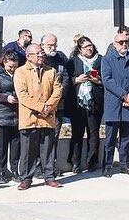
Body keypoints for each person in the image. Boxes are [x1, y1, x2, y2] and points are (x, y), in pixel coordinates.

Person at [13, 45, 62, 190]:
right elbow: (23, 95)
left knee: (47, 150)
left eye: (41, 53)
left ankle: (49, 176)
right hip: (29, 118)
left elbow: (57, 90)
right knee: (28, 151)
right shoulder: (20, 72)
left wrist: (48, 107)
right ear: (28, 56)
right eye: (37, 54)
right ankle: (26, 178)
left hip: (47, 118)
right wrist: (41, 108)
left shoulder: (51, 71)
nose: (41, 56)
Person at [101, 31, 129, 177]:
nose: (124, 44)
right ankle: (107, 166)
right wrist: (124, 95)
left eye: (126, 42)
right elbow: (107, 80)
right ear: (114, 44)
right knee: (110, 138)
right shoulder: (107, 59)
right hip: (114, 104)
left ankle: (124, 164)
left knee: (126, 138)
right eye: (121, 42)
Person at [67, 36, 104, 173]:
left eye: (90, 45)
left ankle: (92, 161)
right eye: (85, 47)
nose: (89, 48)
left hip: (95, 101)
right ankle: (75, 162)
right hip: (78, 103)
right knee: (77, 133)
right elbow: (66, 80)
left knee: (93, 133)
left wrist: (97, 81)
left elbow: (106, 79)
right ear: (79, 50)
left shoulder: (101, 60)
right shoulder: (73, 61)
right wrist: (76, 79)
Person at [0, 51, 21, 184]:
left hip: (17, 114)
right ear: (4, 63)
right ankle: (1, 172)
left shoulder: (19, 73)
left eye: (15, 67)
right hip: (2, 114)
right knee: (2, 146)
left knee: (16, 145)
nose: (13, 69)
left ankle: (15, 170)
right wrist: (6, 98)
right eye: (10, 67)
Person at [41, 33, 70, 173]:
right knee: (40, 138)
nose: (53, 47)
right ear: (42, 45)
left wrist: (57, 97)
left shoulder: (61, 57)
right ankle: (39, 167)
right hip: (41, 106)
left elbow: (65, 78)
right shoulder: (39, 59)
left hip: (58, 105)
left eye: (55, 44)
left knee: (54, 136)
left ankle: (51, 166)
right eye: (49, 45)